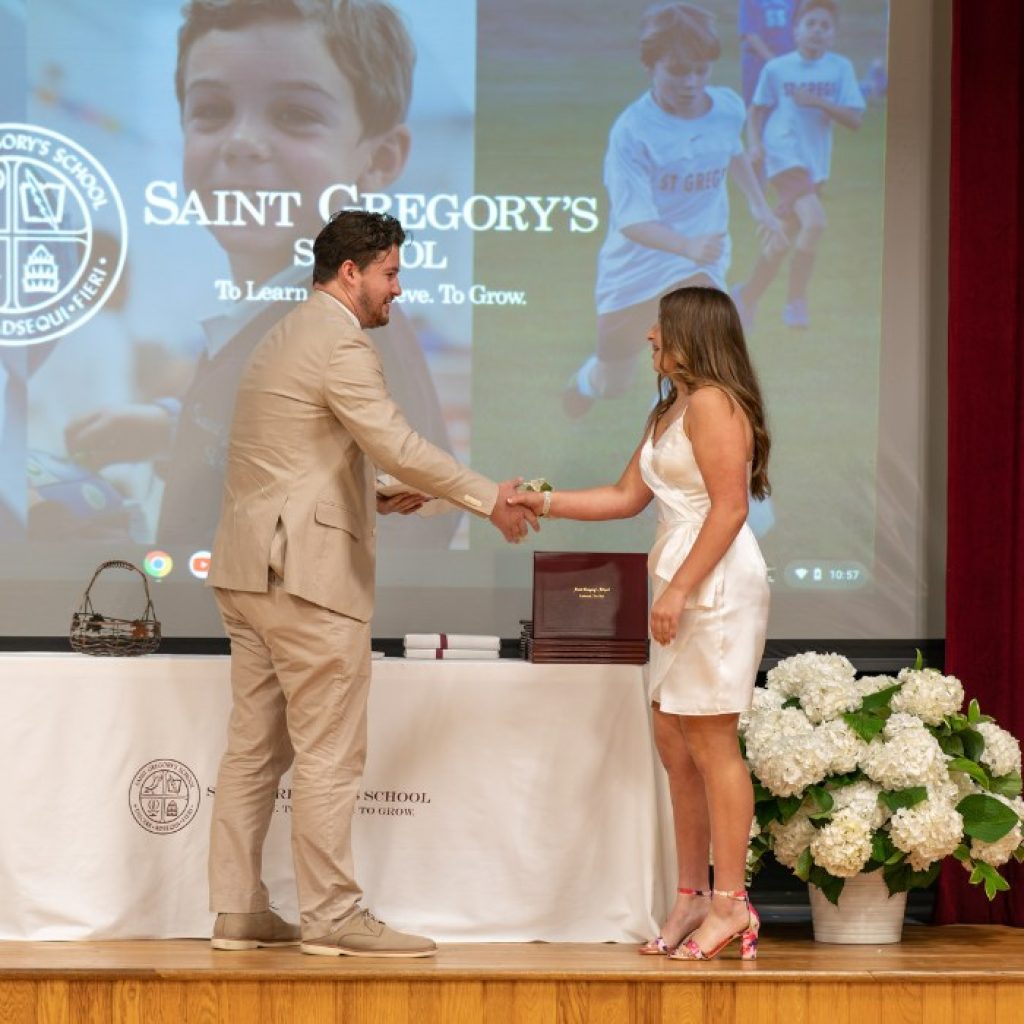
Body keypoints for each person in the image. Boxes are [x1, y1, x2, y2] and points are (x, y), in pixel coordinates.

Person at [206, 209, 538, 958]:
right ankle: (330, 918)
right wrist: (486, 497)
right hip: (306, 581)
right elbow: (393, 438)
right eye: (390, 272)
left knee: (254, 750)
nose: (399, 288)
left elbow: (299, 457)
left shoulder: (281, 333)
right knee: (328, 752)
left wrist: (375, 494)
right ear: (350, 272)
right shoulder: (339, 342)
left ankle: (235, 910)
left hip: (248, 571)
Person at [65, 0, 460, 548]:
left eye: (295, 115)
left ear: (381, 160)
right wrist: (173, 425)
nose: (241, 141)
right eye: (212, 111)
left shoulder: (353, 337)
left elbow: (415, 528)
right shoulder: (266, 315)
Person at [515, 286, 770, 961]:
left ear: (692, 332)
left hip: (712, 589)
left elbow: (730, 508)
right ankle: (690, 897)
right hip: (680, 584)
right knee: (674, 745)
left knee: (712, 742)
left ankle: (732, 903)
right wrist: (542, 499)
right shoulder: (671, 408)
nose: (650, 337)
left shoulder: (715, 402)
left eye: (660, 328)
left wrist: (680, 588)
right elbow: (627, 496)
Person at [562, 1, 785, 419]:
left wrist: (760, 208)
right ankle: (588, 381)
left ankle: (667, 460)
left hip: (700, 264)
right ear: (651, 65)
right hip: (635, 269)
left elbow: (731, 150)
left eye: (701, 71)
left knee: (690, 363)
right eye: (678, 72)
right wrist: (687, 244)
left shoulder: (727, 107)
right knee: (615, 381)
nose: (692, 82)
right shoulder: (633, 132)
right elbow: (631, 222)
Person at [731, 0, 865, 330]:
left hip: (814, 162)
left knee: (783, 237)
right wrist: (757, 144)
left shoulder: (840, 68)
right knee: (815, 222)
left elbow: (855, 119)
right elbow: (757, 110)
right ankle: (795, 302)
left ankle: (746, 296)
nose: (817, 31)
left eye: (825, 26)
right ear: (796, 31)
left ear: (834, 34)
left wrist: (818, 101)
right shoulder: (778, 69)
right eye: (811, 24)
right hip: (782, 155)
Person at [737, 0, 796, 108]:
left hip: (789, 61)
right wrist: (774, 62)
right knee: (757, 106)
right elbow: (750, 33)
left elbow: (801, 22)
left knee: (787, 105)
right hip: (757, 61)